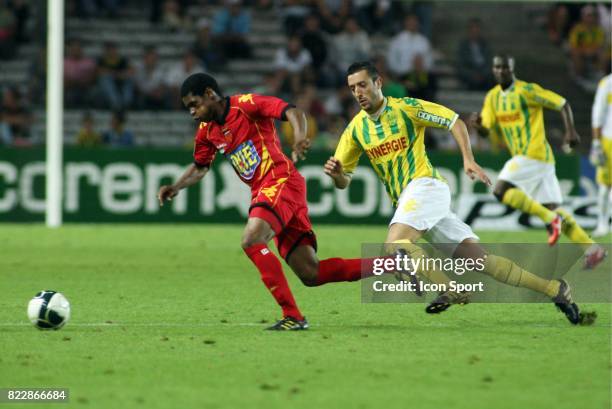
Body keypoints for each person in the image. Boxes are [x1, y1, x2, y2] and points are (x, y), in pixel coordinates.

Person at [323, 61, 590, 325]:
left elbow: (454, 121)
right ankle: (555, 289)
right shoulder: (355, 129)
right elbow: (344, 181)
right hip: (412, 200)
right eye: (352, 88)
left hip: (425, 186)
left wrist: (468, 159)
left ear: (377, 83)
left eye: (362, 85)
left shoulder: (406, 108)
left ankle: (450, 289)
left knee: (395, 245)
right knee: (481, 261)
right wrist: (338, 176)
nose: (358, 92)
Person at [157, 73, 369, 331]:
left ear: (210, 94)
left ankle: (293, 316)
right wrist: (176, 186)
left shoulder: (245, 105)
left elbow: (293, 112)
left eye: (195, 104)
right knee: (311, 273)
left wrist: (299, 137)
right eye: (188, 107)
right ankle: (392, 262)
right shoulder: (206, 132)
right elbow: (201, 167)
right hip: (267, 191)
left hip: (280, 181)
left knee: (251, 239)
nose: (192, 112)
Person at [470, 55, 607, 268]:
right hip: (539, 161)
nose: (501, 71)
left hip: (532, 153)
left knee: (500, 190)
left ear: (512, 69)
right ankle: (593, 249)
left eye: (505, 67)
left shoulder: (527, 91)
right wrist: (479, 126)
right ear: (493, 70)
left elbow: (562, 103)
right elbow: (487, 130)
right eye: (497, 67)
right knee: (554, 209)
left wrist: (570, 131)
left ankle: (550, 220)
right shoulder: (492, 98)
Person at [590, 71, 612, 237]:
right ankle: (602, 223)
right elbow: (598, 112)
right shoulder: (607, 83)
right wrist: (597, 142)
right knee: (604, 187)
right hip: (609, 141)